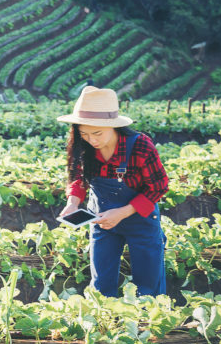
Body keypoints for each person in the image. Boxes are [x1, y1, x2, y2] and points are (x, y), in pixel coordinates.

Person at [56, 86, 169, 297]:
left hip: (140, 221)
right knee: (100, 285)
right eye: (84, 134)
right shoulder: (84, 146)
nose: (92, 140)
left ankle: (147, 324)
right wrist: (72, 203)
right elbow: (78, 177)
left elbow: (159, 185)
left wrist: (123, 212)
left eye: (97, 133)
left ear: (114, 126)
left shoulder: (140, 146)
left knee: (148, 286)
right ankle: (105, 324)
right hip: (102, 221)